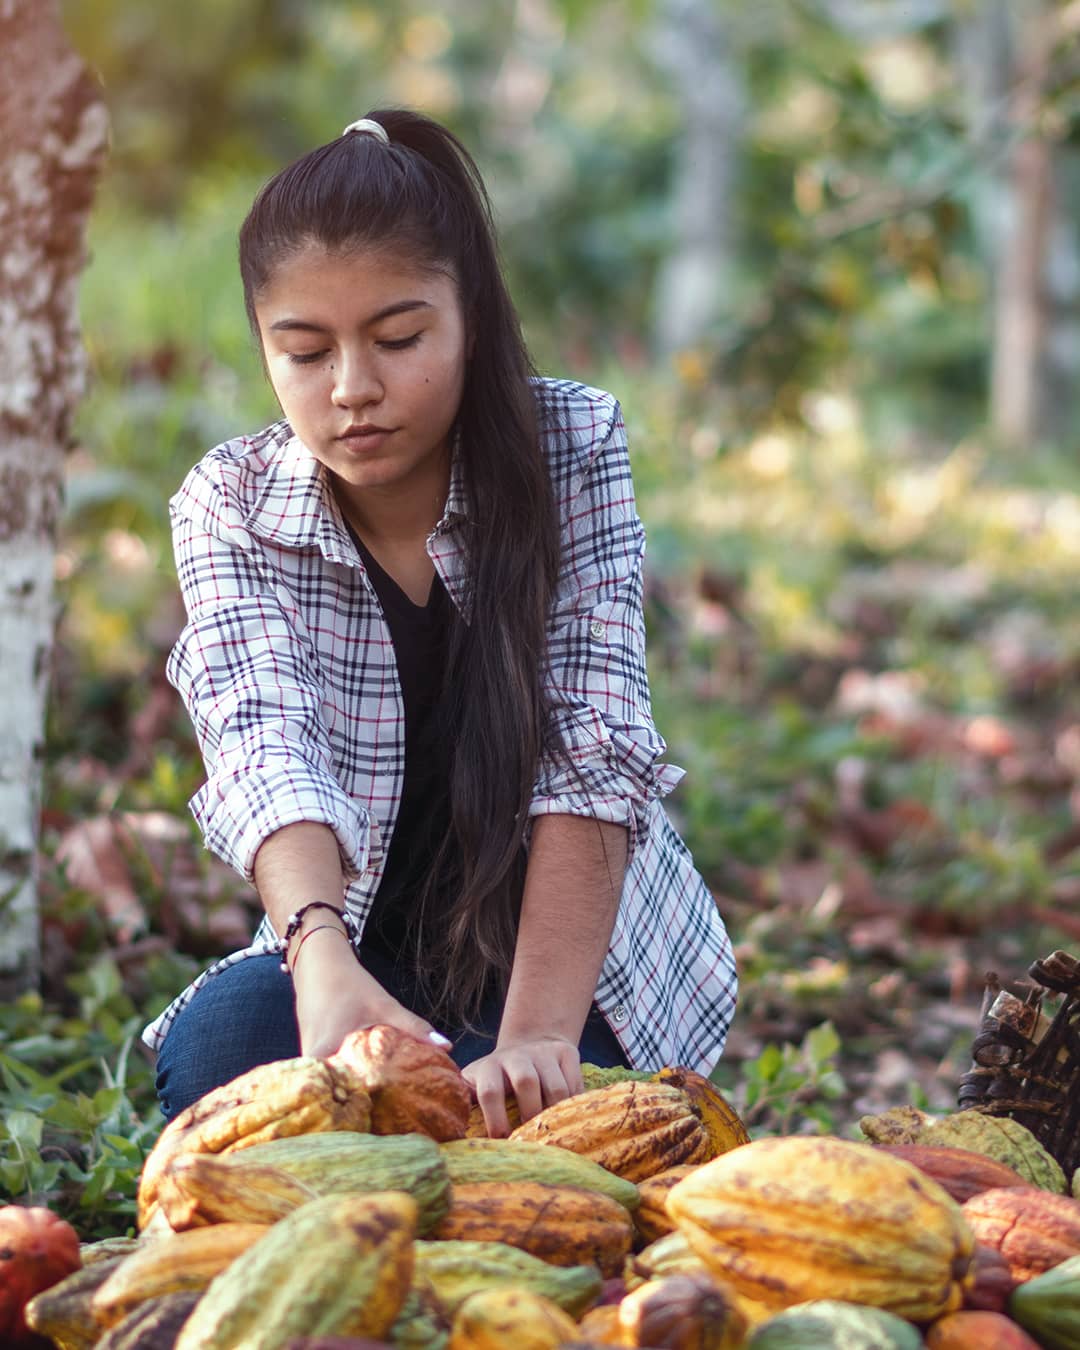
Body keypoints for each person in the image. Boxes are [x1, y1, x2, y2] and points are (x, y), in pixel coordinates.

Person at [143, 108, 736, 1137]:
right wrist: (321, 962)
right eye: (304, 352)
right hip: (362, 931)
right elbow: (261, 742)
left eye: (400, 338)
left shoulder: (570, 446)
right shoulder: (229, 502)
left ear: (470, 319)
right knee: (221, 1059)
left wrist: (541, 1034)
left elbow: (594, 747)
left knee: (554, 1126)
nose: (353, 391)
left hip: (564, 955)